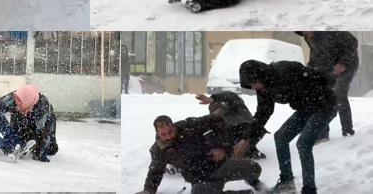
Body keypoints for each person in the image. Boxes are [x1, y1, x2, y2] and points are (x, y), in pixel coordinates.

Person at [236, 60, 336, 194]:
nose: (254, 88)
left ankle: (309, 189)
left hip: (325, 106)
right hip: (305, 109)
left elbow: (317, 75)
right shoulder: (264, 89)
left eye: (254, 83)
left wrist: (329, 79)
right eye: (251, 85)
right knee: (281, 137)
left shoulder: (285, 71)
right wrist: (247, 138)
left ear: (260, 75)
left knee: (303, 143)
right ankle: (287, 183)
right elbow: (262, 113)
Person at [137, 115, 265, 194]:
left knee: (254, 168)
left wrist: (218, 146)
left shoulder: (188, 125)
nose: (169, 136)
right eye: (163, 134)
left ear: (174, 126)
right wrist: (148, 191)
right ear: (158, 133)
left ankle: (255, 183)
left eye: (170, 131)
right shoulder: (159, 150)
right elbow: (155, 172)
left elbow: (217, 120)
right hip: (200, 179)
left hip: (220, 165)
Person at [295, 31, 359, 139]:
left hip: (348, 64)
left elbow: (353, 41)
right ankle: (323, 134)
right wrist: (311, 67)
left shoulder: (329, 32)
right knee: (321, 95)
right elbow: (316, 53)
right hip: (331, 66)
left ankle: (347, 131)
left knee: (339, 93)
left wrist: (343, 63)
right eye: (303, 32)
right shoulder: (308, 37)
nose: (306, 34)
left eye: (307, 30)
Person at [0, 84, 58, 162]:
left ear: (27, 100)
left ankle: (26, 143)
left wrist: (39, 153)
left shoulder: (41, 108)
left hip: (41, 133)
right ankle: (16, 140)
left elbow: (44, 134)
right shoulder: (19, 96)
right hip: (22, 128)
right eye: (16, 100)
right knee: (15, 113)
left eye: (19, 101)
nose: (16, 102)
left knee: (50, 149)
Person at [195, 92, 267, 159]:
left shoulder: (237, 107)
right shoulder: (214, 120)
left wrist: (213, 98)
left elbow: (231, 96)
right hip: (231, 139)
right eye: (213, 111)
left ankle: (250, 150)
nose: (216, 112)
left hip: (249, 131)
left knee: (245, 133)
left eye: (218, 109)